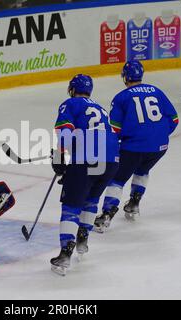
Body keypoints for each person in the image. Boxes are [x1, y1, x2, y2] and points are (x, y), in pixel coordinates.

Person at [94, 60, 179, 233]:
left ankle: (106, 215)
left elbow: (115, 129)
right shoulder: (157, 92)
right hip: (159, 148)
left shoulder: (121, 98)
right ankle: (134, 203)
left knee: (117, 179)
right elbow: (174, 119)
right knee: (142, 170)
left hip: (133, 147)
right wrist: (157, 136)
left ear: (125, 77)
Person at [50, 74, 119, 276]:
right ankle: (82, 240)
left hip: (87, 159)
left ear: (72, 89)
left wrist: (59, 156)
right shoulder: (100, 108)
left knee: (71, 206)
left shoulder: (70, 104)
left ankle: (65, 254)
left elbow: (65, 130)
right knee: (91, 200)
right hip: (112, 160)